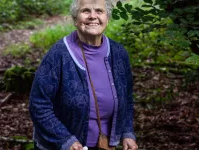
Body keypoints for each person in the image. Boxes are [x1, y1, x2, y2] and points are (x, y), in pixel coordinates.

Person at [29, 0, 138, 149]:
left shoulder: (119, 53)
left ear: (107, 18)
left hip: (105, 145)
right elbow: (38, 104)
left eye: (99, 11)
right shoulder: (58, 54)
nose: (93, 16)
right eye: (86, 11)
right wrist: (65, 140)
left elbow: (127, 99)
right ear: (75, 19)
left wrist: (127, 132)